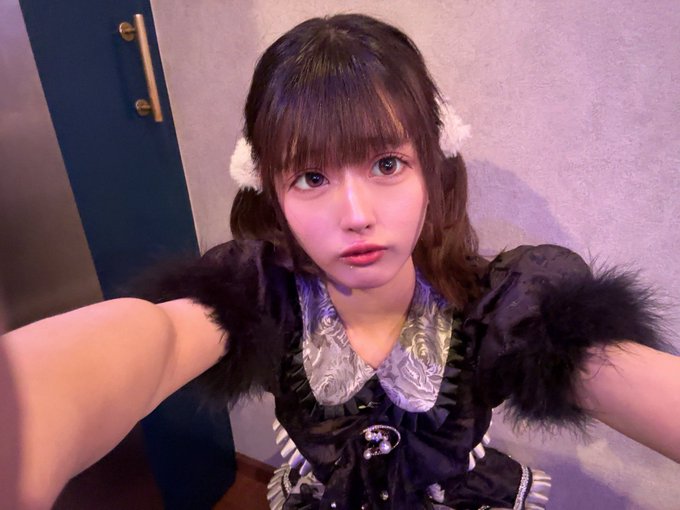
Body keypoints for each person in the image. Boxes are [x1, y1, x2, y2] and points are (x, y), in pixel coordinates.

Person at [2, 12, 679, 510]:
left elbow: (611, 371)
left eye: (387, 164)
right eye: (311, 177)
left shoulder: (503, 306)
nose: (355, 213)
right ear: (271, 192)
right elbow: (161, 337)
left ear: (433, 171)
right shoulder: (260, 297)